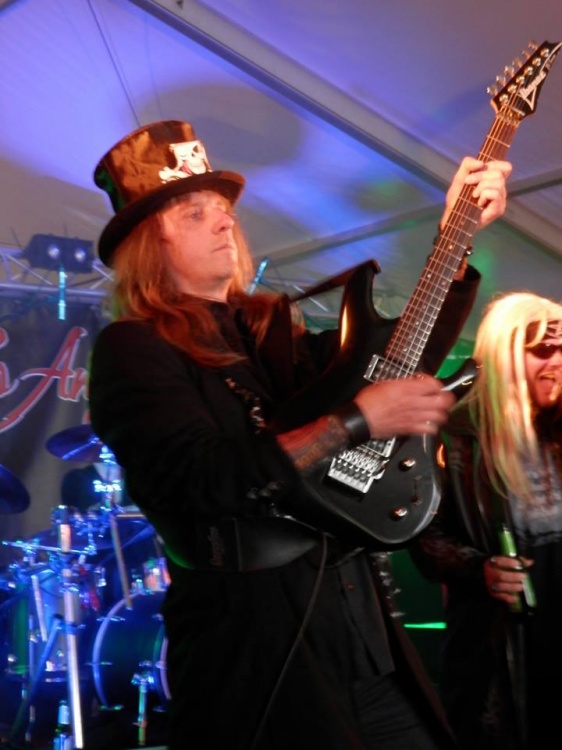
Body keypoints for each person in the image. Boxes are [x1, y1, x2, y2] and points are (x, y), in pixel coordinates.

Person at [87, 119, 510, 750]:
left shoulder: (268, 329)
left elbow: (393, 360)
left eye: (225, 209)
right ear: (150, 240)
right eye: (196, 212)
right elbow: (204, 477)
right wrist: (358, 420)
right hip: (254, 640)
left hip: (357, 619)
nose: (225, 222)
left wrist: (459, 234)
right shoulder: (132, 348)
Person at [410, 292, 562, 750]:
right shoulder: (456, 435)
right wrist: (479, 569)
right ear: (506, 354)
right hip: (503, 635)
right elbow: (422, 533)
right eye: (543, 349)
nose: (557, 361)